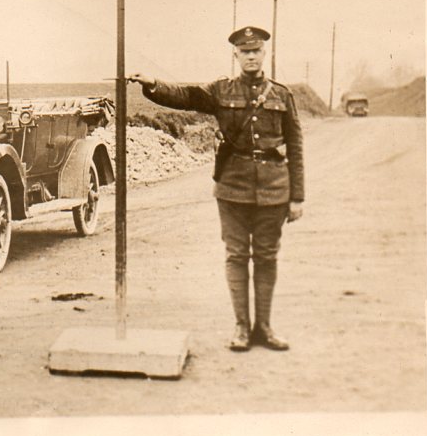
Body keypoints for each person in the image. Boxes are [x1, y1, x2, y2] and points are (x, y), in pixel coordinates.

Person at [128, 26, 304, 352]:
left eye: (256, 51)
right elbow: (186, 96)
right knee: (237, 256)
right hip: (233, 187)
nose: (251, 56)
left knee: (266, 257)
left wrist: (297, 196)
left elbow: (295, 144)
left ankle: (263, 327)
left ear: (265, 54)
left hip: (273, 188)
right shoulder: (222, 91)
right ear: (236, 55)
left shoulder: (282, 95)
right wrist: (152, 84)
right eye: (244, 51)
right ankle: (241, 327)